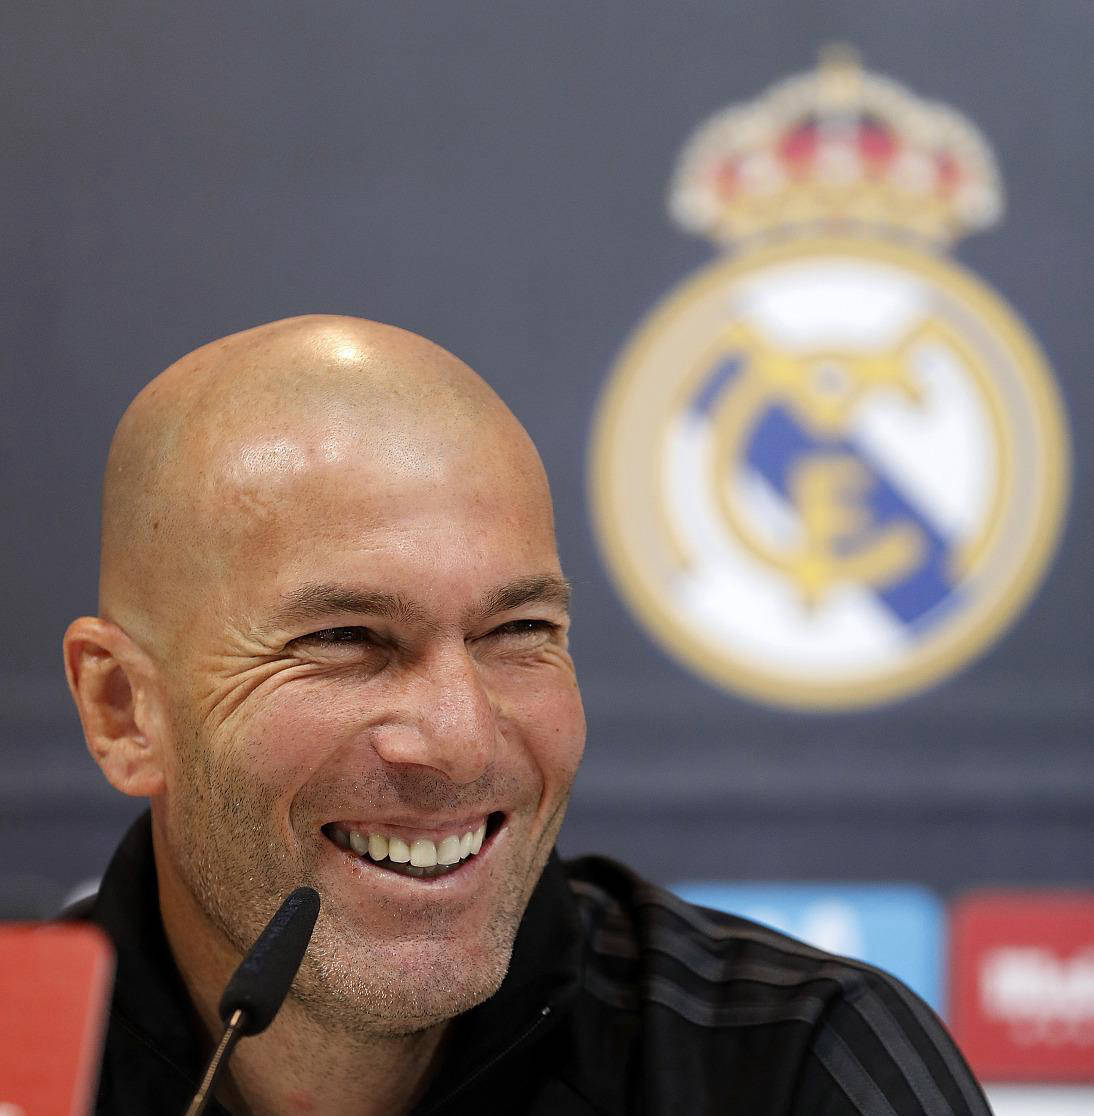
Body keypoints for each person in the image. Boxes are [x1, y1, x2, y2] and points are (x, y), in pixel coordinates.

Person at [63, 315, 992, 1115]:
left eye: (518, 631)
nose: (463, 741)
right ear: (123, 709)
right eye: (345, 638)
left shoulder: (796, 1073)